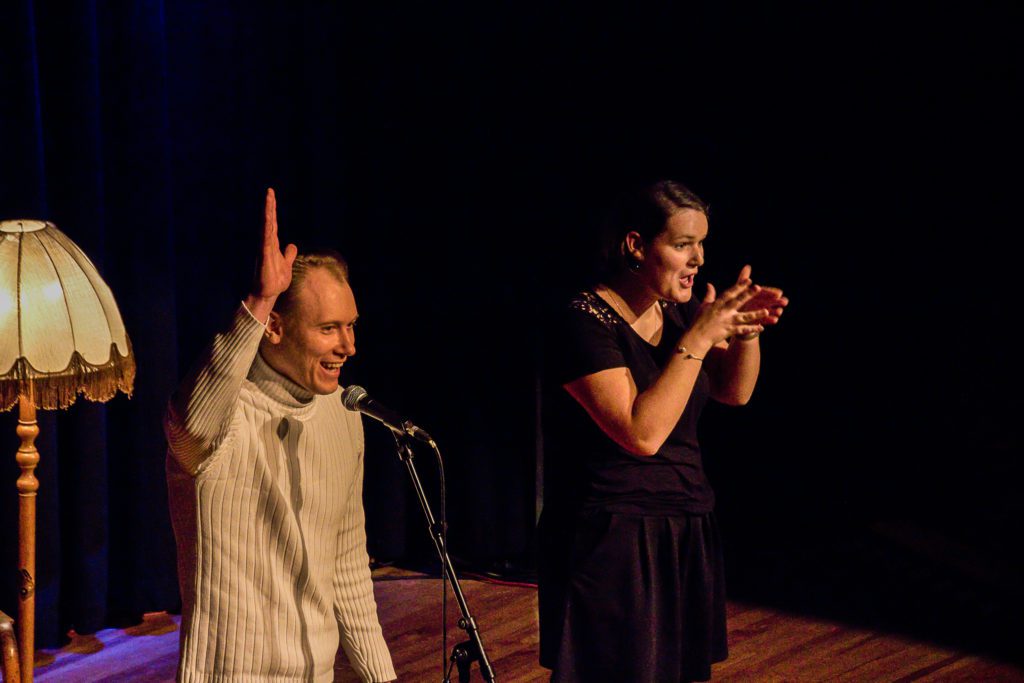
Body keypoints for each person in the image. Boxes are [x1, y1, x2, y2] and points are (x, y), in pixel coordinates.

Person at [537, 179, 788, 682]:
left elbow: (733, 393)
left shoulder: (674, 314)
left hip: (684, 523)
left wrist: (744, 334)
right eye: (681, 245)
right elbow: (640, 433)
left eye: (701, 245)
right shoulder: (583, 322)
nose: (697, 259)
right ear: (635, 245)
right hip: (611, 538)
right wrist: (698, 337)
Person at [164, 189, 397, 683]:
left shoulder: (343, 411)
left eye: (351, 326)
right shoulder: (227, 416)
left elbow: (348, 564)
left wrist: (383, 678)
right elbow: (188, 426)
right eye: (329, 329)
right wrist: (258, 300)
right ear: (273, 327)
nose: (348, 346)